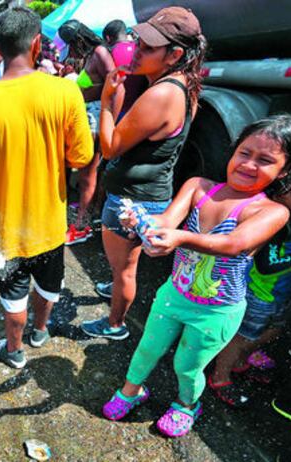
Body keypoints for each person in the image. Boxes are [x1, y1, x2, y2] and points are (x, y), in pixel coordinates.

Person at [101, 115, 291, 438]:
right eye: (245, 152)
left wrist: (180, 239)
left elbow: (233, 244)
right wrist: (140, 221)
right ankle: (132, 390)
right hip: (175, 293)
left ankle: (186, 405)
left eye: (266, 160)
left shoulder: (271, 212)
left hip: (217, 310)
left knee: (187, 365)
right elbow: (167, 221)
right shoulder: (197, 186)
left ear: (284, 170)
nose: (250, 164)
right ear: (233, 150)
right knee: (147, 347)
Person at [0, 7, 94, 369]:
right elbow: (82, 155)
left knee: (11, 293)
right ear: (37, 44)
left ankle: (14, 350)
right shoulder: (65, 93)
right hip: (50, 223)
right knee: (49, 286)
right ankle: (39, 331)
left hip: (7, 226)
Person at [82, 7, 207, 340]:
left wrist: (108, 101)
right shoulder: (181, 84)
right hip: (148, 195)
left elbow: (109, 147)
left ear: (175, 54)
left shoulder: (161, 93)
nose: (136, 51)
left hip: (130, 202)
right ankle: (117, 292)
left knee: (125, 270)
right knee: (125, 265)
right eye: (138, 42)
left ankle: (114, 325)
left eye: (148, 48)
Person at [209, 146, 291, 407]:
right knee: (244, 336)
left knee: (274, 330)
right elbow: (267, 266)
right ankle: (220, 375)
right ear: (290, 189)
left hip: (281, 293)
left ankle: (241, 359)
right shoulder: (277, 220)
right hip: (260, 294)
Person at [55, 20, 116, 246]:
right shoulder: (91, 55)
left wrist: (111, 117)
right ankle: (84, 219)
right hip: (88, 117)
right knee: (85, 173)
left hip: (97, 119)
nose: (70, 50)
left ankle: (82, 225)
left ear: (79, 39)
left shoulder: (99, 52)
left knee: (87, 173)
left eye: (71, 44)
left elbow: (116, 82)